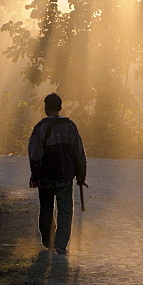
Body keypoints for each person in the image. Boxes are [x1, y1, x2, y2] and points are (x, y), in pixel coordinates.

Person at [28, 92, 87, 255]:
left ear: (46, 108)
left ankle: (49, 241)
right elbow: (79, 153)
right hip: (65, 176)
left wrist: (35, 174)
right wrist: (81, 175)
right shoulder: (70, 126)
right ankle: (61, 244)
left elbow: (34, 154)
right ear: (60, 107)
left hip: (45, 176)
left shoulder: (40, 127)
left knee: (46, 208)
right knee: (65, 210)